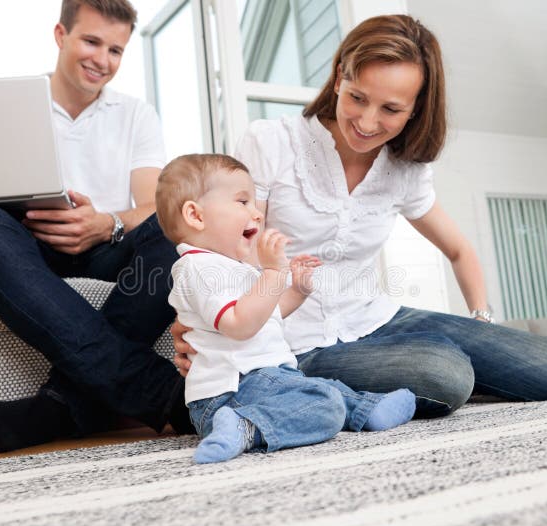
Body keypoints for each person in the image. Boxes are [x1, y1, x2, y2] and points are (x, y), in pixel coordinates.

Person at [172, 15, 547, 418]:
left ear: (415, 108)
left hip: (378, 320)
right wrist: (197, 323)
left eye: (390, 108)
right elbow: (221, 244)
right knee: (445, 372)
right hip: (293, 342)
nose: (367, 122)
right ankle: (306, 385)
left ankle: (431, 366)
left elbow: (459, 250)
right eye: (357, 97)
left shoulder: (405, 168)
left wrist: (483, 323)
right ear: (339, 78)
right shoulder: (271, 142)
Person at [0, 0, 193, 453]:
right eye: (91, 41)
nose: (102, 60)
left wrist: (107, 224)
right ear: (61, 35)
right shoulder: (10, 105)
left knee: (172, 225)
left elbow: (149, 206)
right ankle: (157, 392)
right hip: (24, 256)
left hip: (106, 254)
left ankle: (60, 407)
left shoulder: (136, 114)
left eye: (116, 50)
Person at [155, 154, 416, 463]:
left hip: (256, 381)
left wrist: (297, 290)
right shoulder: (198, 268)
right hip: (232, 391)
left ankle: (366, 409)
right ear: (196, 215)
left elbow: (267, 314)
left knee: (319, 388)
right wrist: (274, 274)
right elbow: (239, 325)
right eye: (242, 202)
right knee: (325, 403)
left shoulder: (230, 267)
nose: (256, 213)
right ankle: (248, 427)